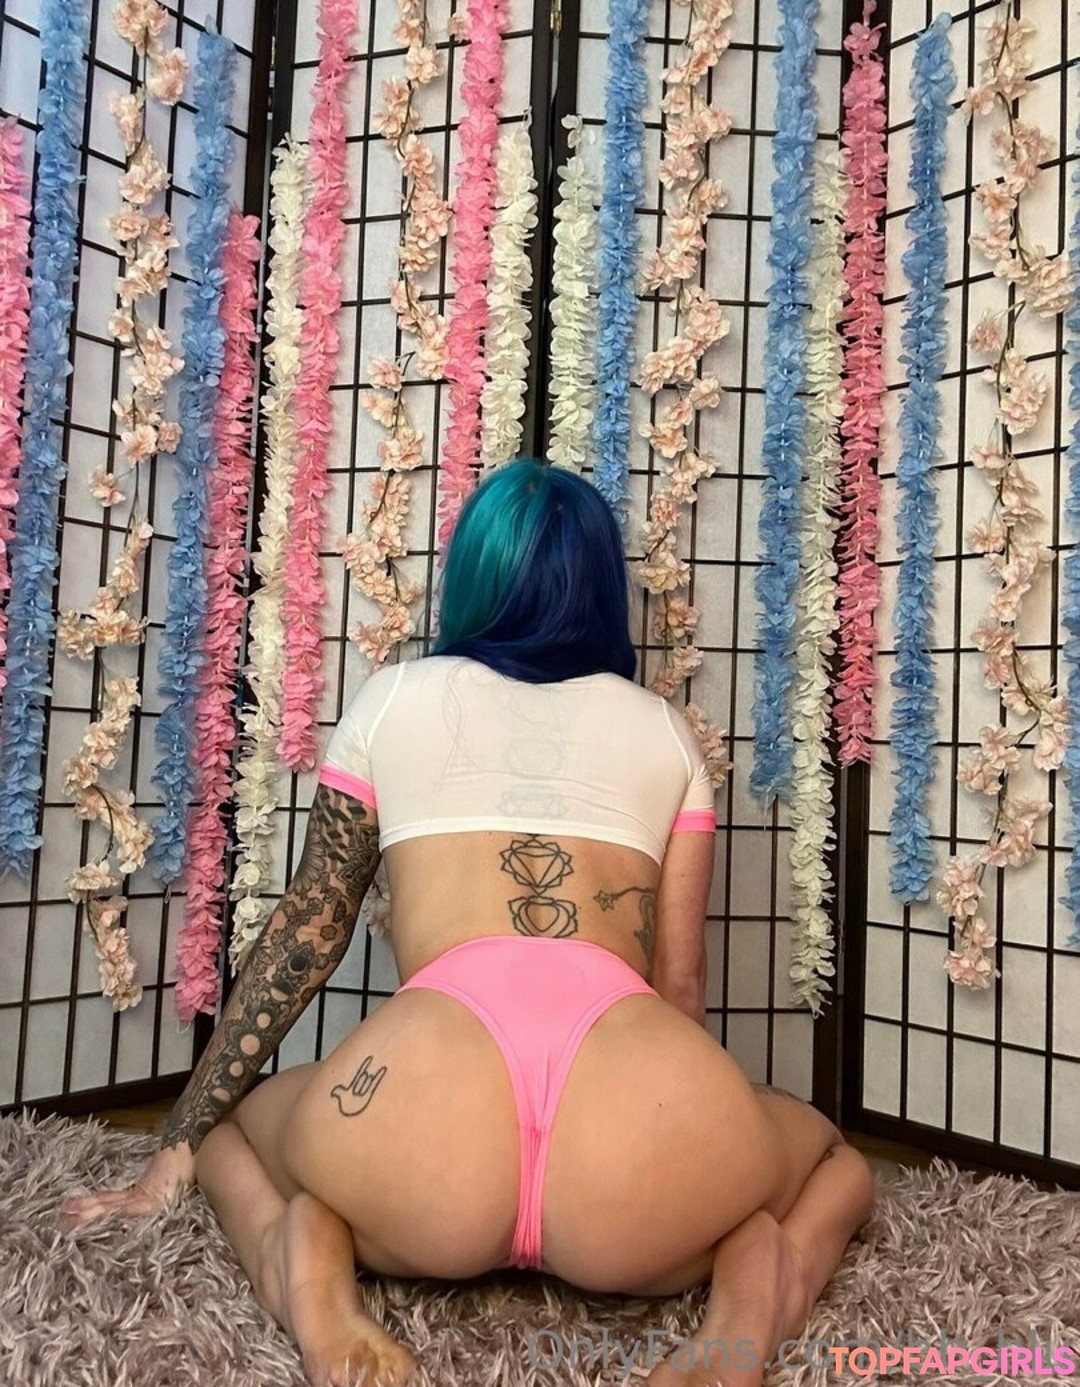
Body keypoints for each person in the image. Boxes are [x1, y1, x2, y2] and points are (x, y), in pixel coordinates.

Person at [60, 459, 874, 1387]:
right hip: (630, 1156)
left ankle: (307, 1270)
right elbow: (679, 984)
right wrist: (680, 1143)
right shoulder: (665, 731)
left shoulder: (392, 701)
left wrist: (180, 1141)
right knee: (831, 1162)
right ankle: (740, 1324)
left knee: (236, 1130)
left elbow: (308, 931)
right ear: (602, 591)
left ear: (474, 578)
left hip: (420, 1136)